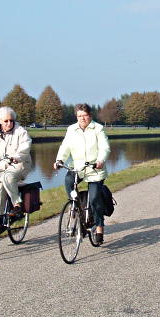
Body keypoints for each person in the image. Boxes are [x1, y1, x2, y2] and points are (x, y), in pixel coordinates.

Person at [53, 103, 111, 244]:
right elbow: (65, 146)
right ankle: (76, 207)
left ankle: (99, 227)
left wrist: (100, 160)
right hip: (77, 167)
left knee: (95, 199)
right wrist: (59, 160)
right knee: (68, 181)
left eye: (84, 115)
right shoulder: (71, 129)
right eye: (79, 116)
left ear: (90, 116)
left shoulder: (98, 129)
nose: (82, 118)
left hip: (94, 169)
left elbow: (105, 147)